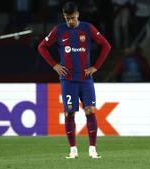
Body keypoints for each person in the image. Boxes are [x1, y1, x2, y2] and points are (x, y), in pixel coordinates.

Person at [38, 2, 111, 159]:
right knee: (69, 113)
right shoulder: (58, 30)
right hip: (68, 80)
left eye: (72, 18)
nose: (70, 21)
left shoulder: (87, 28)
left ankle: (92, 149)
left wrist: (95, 67)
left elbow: (106, 46)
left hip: (85, 79)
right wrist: (55, 65)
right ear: (64, 16)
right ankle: (73, 150)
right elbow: (42, 47)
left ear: (78, 14)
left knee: (90, 110)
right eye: (67, 18)